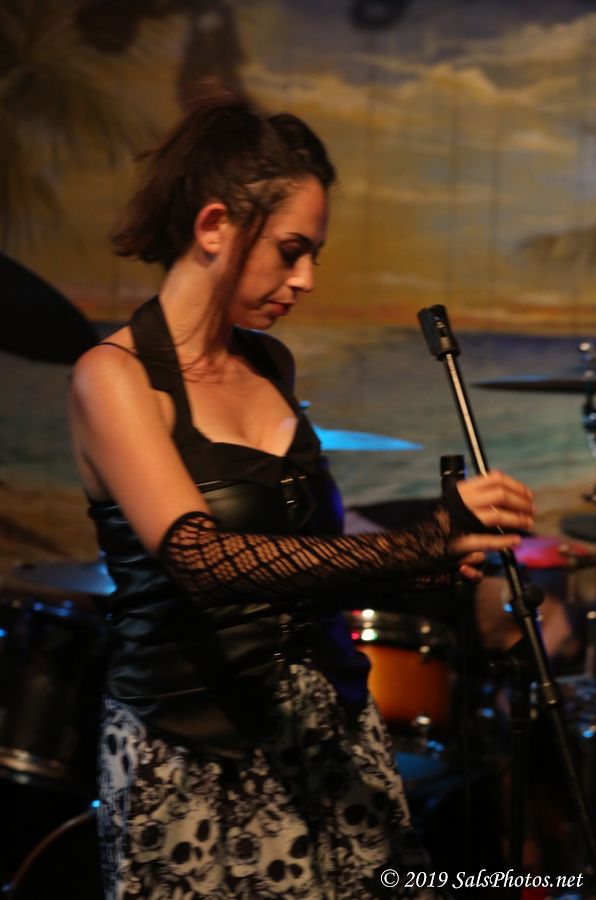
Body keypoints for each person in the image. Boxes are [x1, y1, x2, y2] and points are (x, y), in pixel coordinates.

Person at [69, 79, 535, 899]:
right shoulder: (114, 378)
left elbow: (306, 559)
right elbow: (204, 561)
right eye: (292, 250)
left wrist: (439, 555)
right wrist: (412, 545)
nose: (308, 277)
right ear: (214, 225)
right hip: (190, 753)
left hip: (328, 731)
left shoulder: (270, 364)